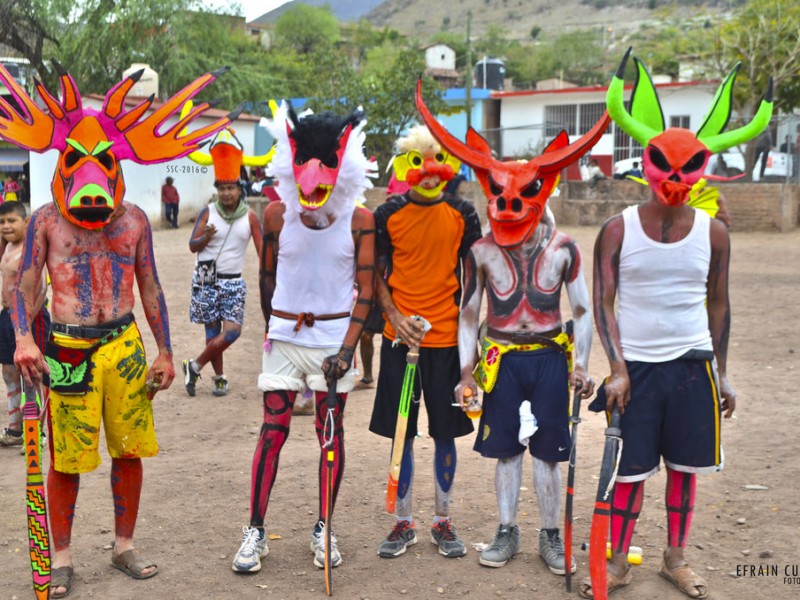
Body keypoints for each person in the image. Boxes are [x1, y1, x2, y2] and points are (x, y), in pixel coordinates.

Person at [0, 62, 231, 598]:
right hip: (67, 351)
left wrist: (166, 352)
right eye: (76, 159)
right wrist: (25, 339)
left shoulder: (132, 221)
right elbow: (25, 287)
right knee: (66, 459)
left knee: (128, 451)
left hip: (124, 349)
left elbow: (151, 288)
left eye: (100, 160)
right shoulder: (45, 221)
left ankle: (124, 546)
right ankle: (61, 558)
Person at [581, 48, 772, 599]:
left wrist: (723, 373)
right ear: (646, 163)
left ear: (703, 169)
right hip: (636, 369)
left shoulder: (715, 233)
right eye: (666, 165)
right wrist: (616, 368)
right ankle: (618, 563)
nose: (675, 178)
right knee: (631, 473)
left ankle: (675, 559)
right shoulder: (617, 230)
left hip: (693, 366)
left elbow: (720, 304)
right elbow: (602, 301)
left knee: (685, 472)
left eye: (689, 168)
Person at [416, 87, 607, 575]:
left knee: (547, 453)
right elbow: (468, 314)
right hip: (500, 360)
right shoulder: (481, 251)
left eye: (520, 195)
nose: (508, 205)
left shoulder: (565, 247)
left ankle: (548, 536)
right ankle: (506, 531)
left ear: (541, 192)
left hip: (549, 358)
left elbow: (582, 310)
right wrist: (466, 372)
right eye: (498, 195)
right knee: (506, 453)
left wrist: (582, 365)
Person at [231, 104, 376, 574]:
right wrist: (276, 329)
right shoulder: (275, 215)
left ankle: (324, 527)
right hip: (286, 337)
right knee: (272, 432)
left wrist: (346, 351)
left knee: (328, 436)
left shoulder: (360, 221)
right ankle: (255, 529)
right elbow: (266, 281)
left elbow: (367, 293)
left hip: (335, 342)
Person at [368, 125, 481, 561]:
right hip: (400, 341)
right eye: (419, 162)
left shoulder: (463, 213)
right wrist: (396, 317)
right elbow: (376, 275)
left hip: (446, 343)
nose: (430, 172)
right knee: (403, 436)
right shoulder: (388, 214)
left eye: (437, 161)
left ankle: (442, 519)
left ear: (447, 165)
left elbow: (473, 278)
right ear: (406, 166)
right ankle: (403, 522)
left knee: (445, 433)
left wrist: (469, 336)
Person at [182, 127, 263, 398]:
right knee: (212, 329)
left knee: (232, 332)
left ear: (239, 189)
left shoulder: (250, 217)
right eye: (222, 188)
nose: (226, 193)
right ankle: (218, 378)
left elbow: (263, 252)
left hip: (233, 280)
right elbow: (192, 246)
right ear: (216, 190)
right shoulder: (208, 212)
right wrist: (204, 237)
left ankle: (194, 365)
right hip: (205, 274)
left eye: (231, 188)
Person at [0, 202, 49, 448]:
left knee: (32, 375)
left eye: (12, 221)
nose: (6, 226)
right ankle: (16, 429)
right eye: (2, 222)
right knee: (8, 372)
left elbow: (41, 289)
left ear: (26, 221)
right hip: (7, 316)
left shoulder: (30, 251)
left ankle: (37, 432)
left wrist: (26, 324)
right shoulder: (7, 246)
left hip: (31, 319)